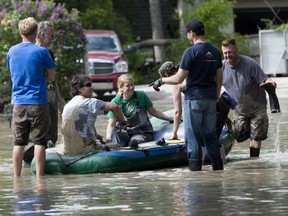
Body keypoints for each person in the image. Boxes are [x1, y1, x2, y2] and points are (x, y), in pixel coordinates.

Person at [150, 19, 223, 171]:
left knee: (193, 137)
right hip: (210, 99)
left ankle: (195, 175)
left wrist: (161, 80)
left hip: (194, 100)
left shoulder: (190, 52)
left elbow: (178, 78)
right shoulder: (216, 51)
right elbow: (219, 80)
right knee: (211, 136)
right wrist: (215, 99)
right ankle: (218, 171)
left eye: (187, 33)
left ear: (192, 33)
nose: (187, 36)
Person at [6, 17, 56, 176]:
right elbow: (52, 77)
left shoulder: (11, 51)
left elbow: (13, 72)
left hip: (18, 103)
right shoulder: (42, 52)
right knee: (40, 142)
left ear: (20, 32)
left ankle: (17, 179)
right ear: (36, 33)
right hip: (38, 102)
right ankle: (40, 180)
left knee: (18, 143)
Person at [221, 38, 278, 157]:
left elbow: (264, 79)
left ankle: (254, 162)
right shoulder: (221, 68)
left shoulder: (250, 64)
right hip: (239, 110)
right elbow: (214, 87)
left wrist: (270, 82)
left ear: (237, 49)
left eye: (230, 52)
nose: (228, 55)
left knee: (256, 137)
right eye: (225, 53)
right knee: (239, 136)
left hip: (257, 107)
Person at [61, 74, 126, 155]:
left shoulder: (68, 105)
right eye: (88, 85)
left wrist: (100, 137)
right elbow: (114, 107)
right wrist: (123, 123)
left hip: (68, 151)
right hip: (85, 151)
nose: (92, 88)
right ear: (79, 88)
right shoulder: (90, 102)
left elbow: (81, 128)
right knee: (116, 146)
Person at [106, 74, 173, 148]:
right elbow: (111, 124)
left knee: (134, 142)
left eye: (132, 84)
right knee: (115, 134)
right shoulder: (115, 102)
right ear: (121, 88)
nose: (131, 87)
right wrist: (108, 139)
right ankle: (117, 152)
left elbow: (154, 112)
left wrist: (170, 118)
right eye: (127, 86)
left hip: (142, 132)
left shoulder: (141, 95)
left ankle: (133, 150)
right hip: (125, 133)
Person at [36, 21, 65, 147]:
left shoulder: (49, 54)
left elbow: (54, 79)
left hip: (51, 98)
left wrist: (59, 100)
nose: (53, 39)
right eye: (51, 36)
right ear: (42, 34)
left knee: (53, 135)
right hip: (38, 100)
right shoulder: (33, 53)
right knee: (41, 136)